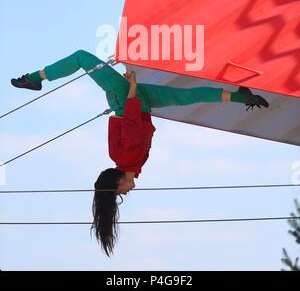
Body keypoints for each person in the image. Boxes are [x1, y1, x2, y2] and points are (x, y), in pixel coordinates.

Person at [11, 49, 269, 255]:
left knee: (82, 57)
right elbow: (138, 123)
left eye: (121, 192)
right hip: (138, 103)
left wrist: (132, 85)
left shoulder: (126, 158)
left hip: (128, 99)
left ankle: (36, 79)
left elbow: (132, 120)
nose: (127, 192)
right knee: (186, 97)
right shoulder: (135, 163)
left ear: (117, 182)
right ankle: (240, 96)